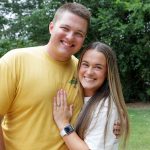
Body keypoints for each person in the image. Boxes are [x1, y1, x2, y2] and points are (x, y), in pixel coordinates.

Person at [0, 3, 120, 150]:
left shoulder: (82, 72)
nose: (70, 37)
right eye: (65, 28)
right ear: (51, 27)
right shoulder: (15, 61)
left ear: (83, 38)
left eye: (78, 33)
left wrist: (114, 123)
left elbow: (101, 107)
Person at [53, 42, 129, 150]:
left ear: (107, 73)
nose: (89, 72)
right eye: (85, 64)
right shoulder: (80, 96)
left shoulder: (105, 107)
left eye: (98, 67)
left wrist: (63, 124)